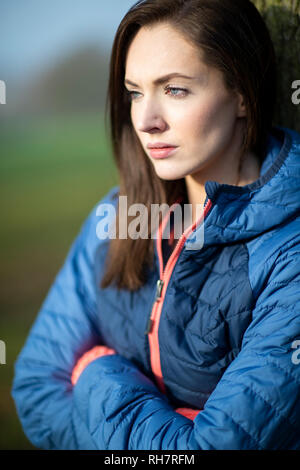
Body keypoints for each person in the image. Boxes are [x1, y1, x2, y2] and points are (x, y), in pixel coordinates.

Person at [12, 0, 300, 450]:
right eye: (135, 92)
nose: (146, 121)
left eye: (175, 90)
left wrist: (95, 374)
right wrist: (170, 425)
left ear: (242, 93)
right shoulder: (116, 218)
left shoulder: (289, 257)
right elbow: (35, 388)